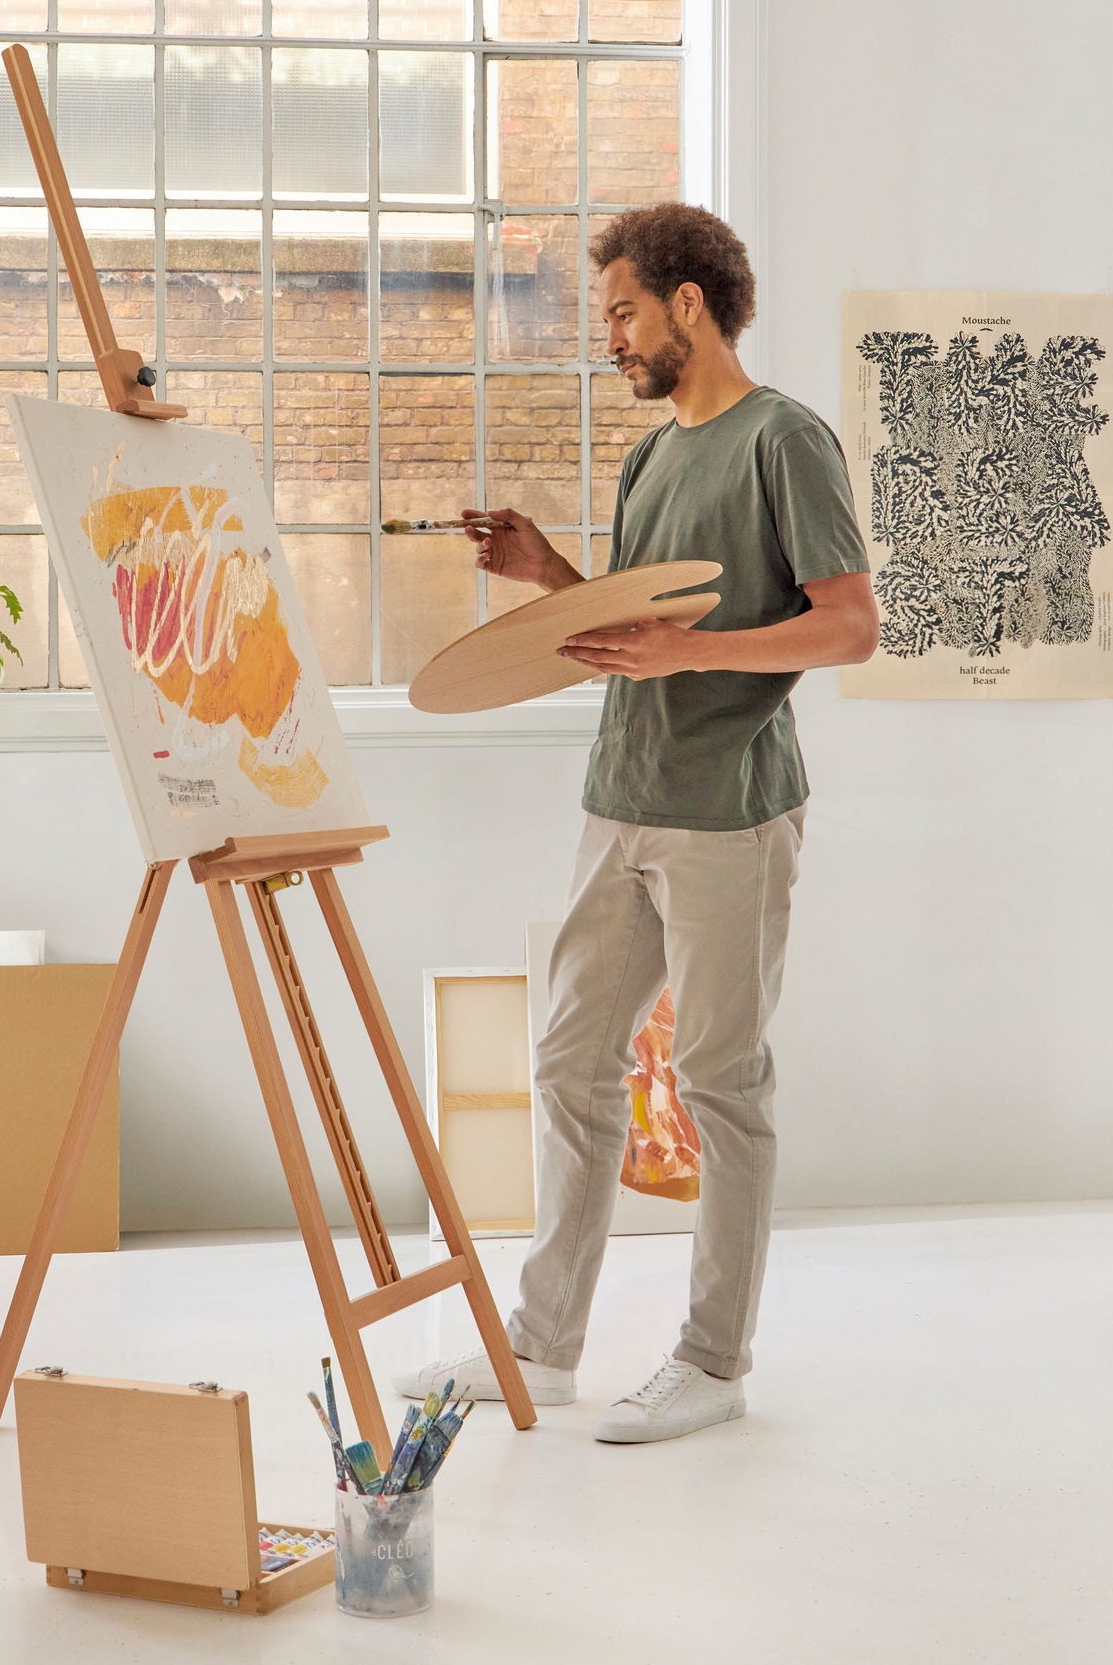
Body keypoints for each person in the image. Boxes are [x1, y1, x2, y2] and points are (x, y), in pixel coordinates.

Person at [395, 203, 878, 1444]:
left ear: (690, 304)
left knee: (721, 1080)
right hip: (621, 800)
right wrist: (550, 575)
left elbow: (849, 624)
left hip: (728, 810)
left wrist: (691, 650)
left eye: (620, 311)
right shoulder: (652, 456)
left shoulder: (786, 440)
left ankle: (713, 1359)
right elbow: (633, 638)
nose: (609, 337)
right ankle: (542, 1345)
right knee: (568, 1057)